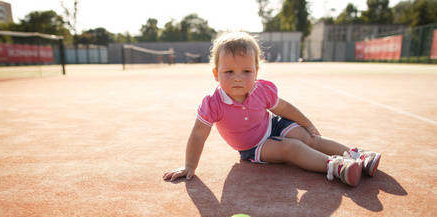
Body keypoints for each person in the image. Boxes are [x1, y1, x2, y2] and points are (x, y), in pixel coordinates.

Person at [163, 31, 381, 186]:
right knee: (292, 148)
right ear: (215, 74)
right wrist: (189, 165)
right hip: (254, 146)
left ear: (256, 72)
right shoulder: (213, 103)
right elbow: (199, 134)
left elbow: (284, 108)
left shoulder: (261, 90)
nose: (238, 78)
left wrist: (307, 124)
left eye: (246, 71)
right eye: (229, 72)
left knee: (308, 137)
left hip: (273, 125)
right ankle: (336, 167)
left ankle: (355, 155)